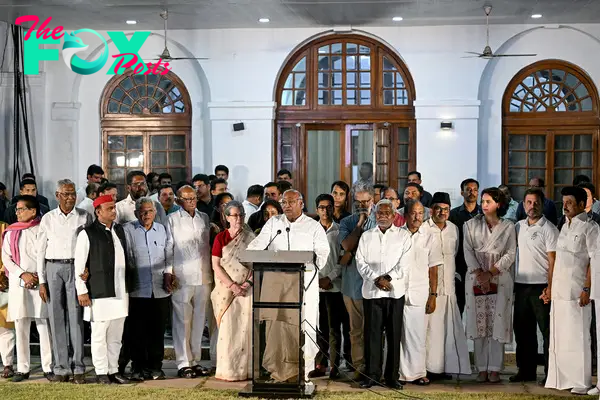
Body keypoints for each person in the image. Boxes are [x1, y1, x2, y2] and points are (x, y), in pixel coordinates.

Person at [247, 189, 329, 383]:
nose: (287, 205)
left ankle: (302, 372)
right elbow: (259, 244)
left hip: (303, 287)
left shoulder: (313, 226)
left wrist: (311, 261)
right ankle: (277, 372)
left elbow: (323, 253)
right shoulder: (274, 223)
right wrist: (250, 254)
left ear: (301, 203)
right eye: (284, 202)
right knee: (276, 328)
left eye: (291, 202)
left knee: (302, 327)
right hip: (276, 287)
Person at [36, 179, 92, 384]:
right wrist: (42, 280)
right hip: (52, 268)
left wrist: (88, 271)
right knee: (56, 318)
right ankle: (60, 367)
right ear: (57, 196)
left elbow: (90, 246)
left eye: (73, 194)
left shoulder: (84, 216)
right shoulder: (48, 218)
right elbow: (40, 249)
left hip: (76, 269)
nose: (70, 198)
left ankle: (78, 367)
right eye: (66, 194)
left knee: (76, 318)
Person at [544, 186, 598, 394]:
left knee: (579, 337)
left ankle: (582, 382)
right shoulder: (564, 226)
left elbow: (595, 261)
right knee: (561, 336)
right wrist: (549, 288)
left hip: (578, 292)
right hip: (559, 291)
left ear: (581, 204)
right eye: (563, 202)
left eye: (569, 202)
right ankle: (561, 378)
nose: (564, 206)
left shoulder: (590, 228)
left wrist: (587, 288)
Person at [74, 194, 131, 385]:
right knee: (99, 335)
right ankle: (101, 372)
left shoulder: (119, 230)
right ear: (98, 212)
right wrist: (82, 290)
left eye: (114, 207)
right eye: (109, 208)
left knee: (116, 335)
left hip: (121, 290)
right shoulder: (87, 233)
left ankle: (113, 370)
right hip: (99, 290)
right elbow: (80, 265)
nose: (114, 211)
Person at [356, 199, 412, 389]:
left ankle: (392, 377)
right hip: (372, 293)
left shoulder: (403, 236)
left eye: (387, 213)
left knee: (394, 336)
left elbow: (404, 264)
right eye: (379, 213)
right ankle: (371, 375)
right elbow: (360, 262)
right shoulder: (366, 236)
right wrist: (376, 279)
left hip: (394, 293)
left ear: (394, 215)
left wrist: (386, 278)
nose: (383, 216)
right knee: (372, 335)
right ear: (375, 214)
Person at [463, 187, 516, 383]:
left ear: (498, 204)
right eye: (482, 201)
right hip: (476, 277)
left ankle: (495, 368)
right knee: (480, 323)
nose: (484, 205)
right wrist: (480, 274)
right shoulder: (470, 225)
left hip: (499, 278)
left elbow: (510, 253)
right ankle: (481, 368)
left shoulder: (508, 227)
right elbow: (467, 251)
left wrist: (490, 273)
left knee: (497, 322)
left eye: (488, 202)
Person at [1, 195, 53, 382]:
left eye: (22, 209)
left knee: (43, 325)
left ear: (33, 211)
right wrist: (23, 274)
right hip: (19, 282)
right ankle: (23, 368)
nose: (18, 213)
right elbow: (7, 258)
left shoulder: (42, 229)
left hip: (40, 282)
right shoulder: (11, 232)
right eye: (17, 210)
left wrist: (39, 277)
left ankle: (48, 367)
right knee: (21, 325)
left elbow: (46, 254)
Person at [510, 188, 558, 386]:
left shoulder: (550, 229)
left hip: (541, 288)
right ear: (523, 205)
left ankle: (550, 373)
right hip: (521, 286)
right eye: (529, 202)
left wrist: (550, 288)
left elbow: (553, 261)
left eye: (536, 202)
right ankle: (526, 371)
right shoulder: (518, 227)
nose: (532, 206)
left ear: (543, 204)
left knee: (547, 332)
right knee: (523, 332)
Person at [123, 197, 173, 381]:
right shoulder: (128, 230)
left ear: (155, 212)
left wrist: (169, 273)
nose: (146, 215)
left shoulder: (161, 229)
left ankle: (155, 367)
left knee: (157, 331)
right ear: (136, 213)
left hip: (160, 289)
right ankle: (137, 367)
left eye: (150, 211)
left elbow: (169, 254)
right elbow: (127, 256)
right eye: (142, 212)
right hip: (137, 290)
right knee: (137, 331)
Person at [423, 192, 471, 379]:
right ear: (431, 210)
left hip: (449, 287)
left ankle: (443, 368)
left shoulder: (453, 229)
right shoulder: (424, 229)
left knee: (447, 331)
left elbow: (456, 253)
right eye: (438, 208)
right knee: (430, 331)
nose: (442, 212)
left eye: (445, 209)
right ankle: (428, 368)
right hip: (430, 289)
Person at [166, 185, 212, 379]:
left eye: (193, 198)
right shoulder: (172, 219)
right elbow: (168, 246)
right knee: (182, 320)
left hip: (203, 275)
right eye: (187, 198)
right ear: (178, 200)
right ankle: (183, 362)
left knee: (200, 321)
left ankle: (195, 360)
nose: (192, 201)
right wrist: (168, 272)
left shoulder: (204, 218)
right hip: (182, 276)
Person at [398, 200, 443, 386]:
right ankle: (398, 373)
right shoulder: (398, 234)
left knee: (417, 335)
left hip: (420, 291)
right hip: (398, 291)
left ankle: (418, 373)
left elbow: (433, 269)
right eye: (413, 213)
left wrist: (433, 295)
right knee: (397, 335)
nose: (417, 217)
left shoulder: (430, 236)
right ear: (406, 215)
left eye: (420, 213)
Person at [210, 201, 255, 381]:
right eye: (234, 215)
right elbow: (216, 265)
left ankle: (247, 370)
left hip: (247, 291)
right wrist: (232, 285)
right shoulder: (220, 238)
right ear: (226, 217)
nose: (238, 218)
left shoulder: (251, 237)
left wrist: (247, 284)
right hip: (226, 291)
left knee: (246, 328)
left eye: (241, 214)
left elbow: (256, 265)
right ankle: (228, 370)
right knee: (228, 330)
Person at [338, 182, 377, 380]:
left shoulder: (382, 220)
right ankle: (360, 368)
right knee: (355, 330)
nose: (362, 205)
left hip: (377, 286)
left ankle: (376, 368)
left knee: (376, 329)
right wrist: (360, 223)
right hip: (353, 285)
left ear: (373, 199)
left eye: (366, 201)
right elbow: (346, 245)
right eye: (358, 202)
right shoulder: (347, 222)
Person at [309, 194, 345, 380]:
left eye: (329, 207)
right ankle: (320, 364)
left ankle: (335, 366)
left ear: (333, 208)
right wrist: (317, 279)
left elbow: (342, 260)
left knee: (333, 328)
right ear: (317, 210)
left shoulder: (339, 231)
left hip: (334, 287)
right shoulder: (311, 230)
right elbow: (308, 257)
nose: (325, 210)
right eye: (321, 207)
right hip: (314, 287)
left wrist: (329, 278)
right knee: (318, 327)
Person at [449, 178, 481, 315]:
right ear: (462, 193)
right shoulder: (453, 214)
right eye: (468, 190)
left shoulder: (484, 214)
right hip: (460, 265)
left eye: (474, 190)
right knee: (459, 306)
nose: (472, 193)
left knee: (478, 308)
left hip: (480, 265)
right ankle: (457, 336)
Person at [0, 222, 15, 380]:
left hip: (2, 283)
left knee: (4, 328)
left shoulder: (5, 228)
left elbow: (10, 255)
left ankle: (8, 364)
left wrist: (4, 274)